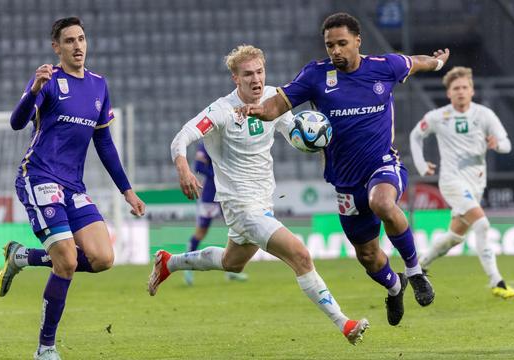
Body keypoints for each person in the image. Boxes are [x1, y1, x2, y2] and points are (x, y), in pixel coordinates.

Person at [148, 44, 369, 345]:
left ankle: (168, 263)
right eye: (248, 74)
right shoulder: (221, 111)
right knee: (300, 256)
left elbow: (293, 133)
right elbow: (181, 137)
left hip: (262, 202)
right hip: (241, 206)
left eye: (260, 72)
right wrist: (184, 168)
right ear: (235, 78)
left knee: (232, 263)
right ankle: (344, 323)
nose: (256, 79)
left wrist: (309, 138)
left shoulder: (272, 99)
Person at [238, 12, 448, 326]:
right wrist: (259, 111)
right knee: (368, 257)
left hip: (383, 164)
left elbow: (416, 62)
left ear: (357, 42)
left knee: (383, 202)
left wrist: (438, 62)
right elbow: (277, 106)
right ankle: (394, 286)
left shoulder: (384, 66)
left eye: (341, 43)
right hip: (346, 184)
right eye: (329, 45)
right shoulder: (315, 76)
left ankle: (416, 272)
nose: (335, 50)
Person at [0, 17, 145, 360]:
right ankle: (45, 348)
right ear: (57, 48)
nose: (77, 46)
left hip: (73, 185)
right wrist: (33, 88)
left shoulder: (98, 85)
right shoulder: (48, 81)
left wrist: (127, 191)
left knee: (104, 258)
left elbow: (104, 143)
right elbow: (17, 123)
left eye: (81, 39)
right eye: (69, 41)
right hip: (39, 176)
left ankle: (22, 257)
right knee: (66, 260)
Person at [409, 66, 514, 299]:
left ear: (472, 90)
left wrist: (496, 144)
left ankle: (419, 267)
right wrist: (420, 164)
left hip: (476, 183)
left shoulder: (484, 115)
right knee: (483, 225)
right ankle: (497, 281)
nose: (461, 91)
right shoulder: (438, 117)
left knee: (455, 237)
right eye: (456, 88)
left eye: (465, 87)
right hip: (451, 181)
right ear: (448, 93)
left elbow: (507, 143)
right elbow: (415, 136)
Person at [183, 142, 248, 286]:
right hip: (210, 194)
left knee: (236, 229)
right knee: (201, 233)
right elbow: (199, 167)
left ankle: (232, 270)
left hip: (227, 193)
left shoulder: (228, 140)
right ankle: (187, 267)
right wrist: (218, 174)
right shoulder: (206, 143)